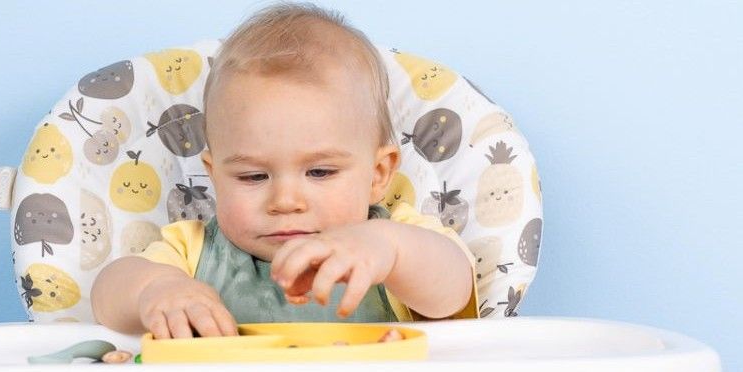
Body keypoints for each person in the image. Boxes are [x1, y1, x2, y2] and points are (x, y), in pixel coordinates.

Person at [91, 2, 478, 341]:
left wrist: (390, 250)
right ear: (215, 176)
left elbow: (453, 290)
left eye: (321, 172)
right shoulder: (192, 252)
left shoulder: (396, 244)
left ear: (378, 174)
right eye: (253, 177)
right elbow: (108, 295)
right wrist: (157, 288)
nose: (285, 202)